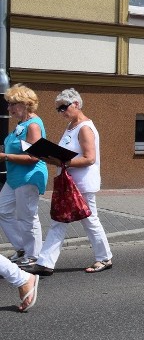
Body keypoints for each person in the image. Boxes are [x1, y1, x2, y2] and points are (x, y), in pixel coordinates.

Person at [24, 89, 113, 276]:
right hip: (68, 182)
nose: (61, 112)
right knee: (59, 219)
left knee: (89, 220)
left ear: (76, 104)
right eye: (58, 109)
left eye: (63, 107)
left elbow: (89, 158)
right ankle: (45, 263)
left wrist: (61, 161)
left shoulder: (85, 127)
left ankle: (104, 257)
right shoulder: (72, 126)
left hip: (81, 184)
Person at [0, 84, 49, 266]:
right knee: (2, 210)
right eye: (9, 105)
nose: (9, 108)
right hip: (14, 177)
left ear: (25, 104)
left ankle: (33, 255)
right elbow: (14, 147)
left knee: (27, 216)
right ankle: (22, 248)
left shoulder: (33, 125)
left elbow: (34, 157)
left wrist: (4, 156)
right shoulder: (21, 124)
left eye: (12, 104)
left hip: (28, 176)